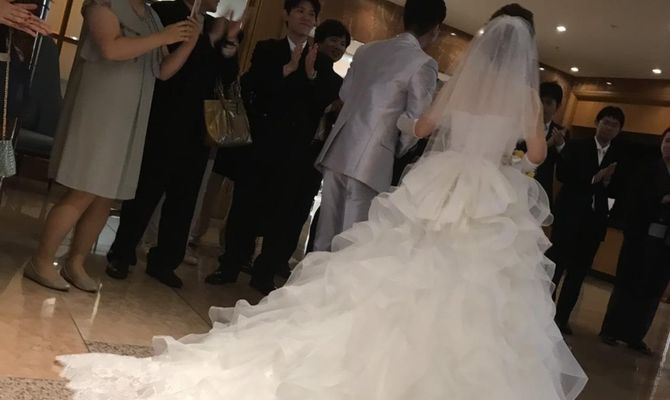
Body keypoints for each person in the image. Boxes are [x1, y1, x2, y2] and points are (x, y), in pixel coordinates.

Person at [57, 7, 587, 399]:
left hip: (439, 182)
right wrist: (506, 146)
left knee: (396, 262)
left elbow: (424, 127)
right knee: (474, 285)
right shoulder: (524, 98)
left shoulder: (457, 83)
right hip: (488, 191)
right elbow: (538, 154)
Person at [24, 0, 197, 292]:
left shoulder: (151, 16)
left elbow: (163, 70)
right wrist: (163, 37)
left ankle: (76, 262)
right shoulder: (103, 4)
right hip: (100, 109)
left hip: (129, 116)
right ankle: (41, 260)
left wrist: (188, 43)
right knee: (83, 190)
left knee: (106, 195)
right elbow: (111, 48)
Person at [104, 0, 243, 288]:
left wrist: (229, 43)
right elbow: (167, 66)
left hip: (199, 127)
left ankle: (165, 261)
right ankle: (122, 252)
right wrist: (210, 40)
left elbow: (227, 77)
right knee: (145, 191)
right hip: (163, 118)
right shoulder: (165, 12)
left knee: (184, 198)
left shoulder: (214, 25)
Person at [203, 0, 325, 294]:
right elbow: (252, 85)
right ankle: (230, 264)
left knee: (281, 213)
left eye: (311, 14)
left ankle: (264, 274)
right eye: (300, 11)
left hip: (294, 150)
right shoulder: (268, 48)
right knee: (245, 205)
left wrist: (310, 75)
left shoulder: (320, 60)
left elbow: (320, 105)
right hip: (262, 142)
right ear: (286, 15)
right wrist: (288, 69)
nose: (305, 17)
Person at [312, 0, 445, 251]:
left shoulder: (367, 50)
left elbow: (345, 93)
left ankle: (307, 276)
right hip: (373, 159)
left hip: (340, 149)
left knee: (324, 237)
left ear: (405, 18)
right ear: (436, 28)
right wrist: (395, 149)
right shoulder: (424, 63)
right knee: (352, 243)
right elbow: (415, 121)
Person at [550, 106, 627, 334]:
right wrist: (595, 178)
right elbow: (564, 174)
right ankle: (543, 312)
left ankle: (562, 318)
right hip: (569, 217)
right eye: (606, 122)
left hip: (594, 223)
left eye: (614, 124)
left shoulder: (620, 156)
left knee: (578, 273)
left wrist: (608, 183)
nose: (609, 127)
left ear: (619, 130)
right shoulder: (577, 146)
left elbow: (621, 189)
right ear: (597, 123)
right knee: (555, 267)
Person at [599, 128, 670, 355]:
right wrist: (661, 200)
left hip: (665, 243)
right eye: (667, 141)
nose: (669, 146)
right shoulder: (648, 169)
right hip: (640, 237)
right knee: (627, 285)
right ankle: (611, 330)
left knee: (652, 290)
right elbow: (633, 200)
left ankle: (635, 335)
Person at [518, 81, 567, 207]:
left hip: (542, 188)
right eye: (540, 101)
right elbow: (517, 153)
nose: (543, 107)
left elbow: (564, 169)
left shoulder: (561, 132)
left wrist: (560, 145)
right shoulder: (522, 126)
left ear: (558, 106)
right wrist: (547, 144)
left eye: (548, 103)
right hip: (518, 182)